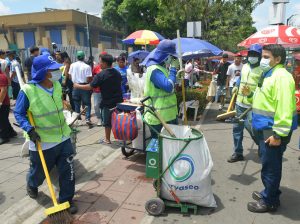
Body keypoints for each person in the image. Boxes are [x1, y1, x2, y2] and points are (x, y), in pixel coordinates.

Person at [14, 54, 77, 214]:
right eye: (53, 69)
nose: (57, 71)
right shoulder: (28, 91)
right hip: (42, 140)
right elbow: (19, 113)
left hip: (63, 137)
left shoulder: (56, 85)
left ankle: (67, 200)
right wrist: (29, 129)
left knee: (67, 170)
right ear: (43, 72)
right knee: (39, 173)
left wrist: (64, 103)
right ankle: (32, 184)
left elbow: (55, 101)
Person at [242, 44, 297, 213]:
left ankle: (270, 201)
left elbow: (284, 108)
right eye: (262, 56)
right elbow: (264, 99)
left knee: (271, 167)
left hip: (272, 131)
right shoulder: (270, 73)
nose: (262, 59)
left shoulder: (281, 77)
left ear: (278, 59)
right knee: (268, 165)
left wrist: (278, 134)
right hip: (265, 128)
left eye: (266, 57)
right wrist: (250, 94)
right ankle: (269, 192)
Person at [73, 54, 123, 144]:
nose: (99, 64)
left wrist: (77, 86)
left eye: (100, 62)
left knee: (107, 122)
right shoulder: (117, 72)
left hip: (107, 102)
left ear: (104, 63)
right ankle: (122, 138)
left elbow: (90, 86)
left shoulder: (101, 75)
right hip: (118, 101)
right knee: (118, 120)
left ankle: (107, 139)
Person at [227, 44, 263, 163]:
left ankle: (262, 145)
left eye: (255, 54)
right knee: (237, 129)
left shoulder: (262, 70)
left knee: (253, 128)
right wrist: (236, 86)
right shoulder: (245, 66)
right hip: (239, 104)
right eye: (250, 54)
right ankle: (238, 153)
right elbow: (240, 79)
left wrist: (252, 95)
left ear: (259, 56)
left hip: (252, 106)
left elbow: (264, 89)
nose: (252, 56)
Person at [143, 39, 179, 138]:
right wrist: (173, 69)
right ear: (165, 56)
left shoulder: (162, 68)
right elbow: (168, 87)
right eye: (171, 57)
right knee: (161, 148)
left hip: (168, 116)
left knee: (169, 147)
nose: (172, 59)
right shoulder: (154, 70)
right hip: (158, 118)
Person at [69, 51, 93, 124]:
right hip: (84, 86)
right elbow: (89, 78)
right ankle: (87, 119)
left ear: (77, 57)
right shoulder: (87, 66)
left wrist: (75, 82)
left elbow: (69, 76)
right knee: (87, 104)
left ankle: (78, 119)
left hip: (75, 86)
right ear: (84, 57)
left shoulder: (72, 65)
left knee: (77, 104)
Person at [0, 69, 17, 144]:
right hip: (3, 102)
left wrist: (0, 102)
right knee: (4, 119)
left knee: (2, 120)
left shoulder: (1, 77)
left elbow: (3, 90)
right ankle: (11, 132)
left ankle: (4, 137)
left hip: (3, 103)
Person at [92, 52, 108, 126]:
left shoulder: (109, 69)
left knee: (104, 106)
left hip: (105, 90)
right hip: (97, 90)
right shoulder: (96, 68)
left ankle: (104, 119)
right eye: (101, 58)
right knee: (96, 105)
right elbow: (93, 77)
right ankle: (99, 118)